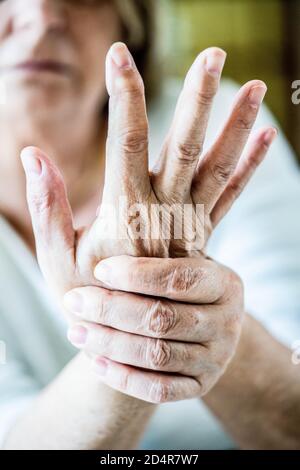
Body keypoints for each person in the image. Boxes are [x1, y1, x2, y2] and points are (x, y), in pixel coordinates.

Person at [0, 0, 299, 450]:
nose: (41, 17)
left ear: (131, 22)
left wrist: (195, 313)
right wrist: (132, 319)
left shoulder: (214, 130)